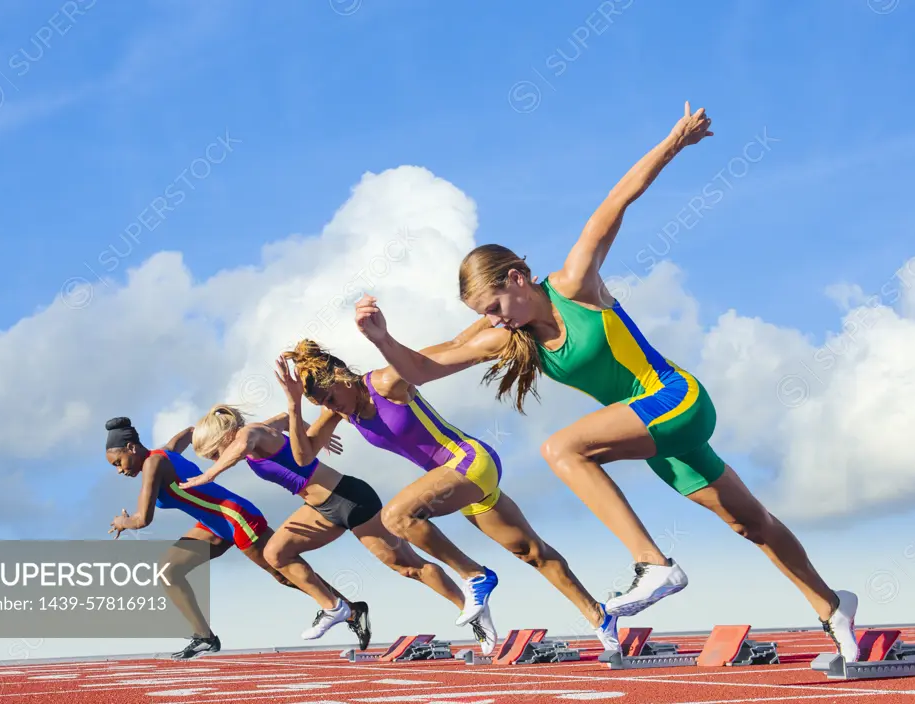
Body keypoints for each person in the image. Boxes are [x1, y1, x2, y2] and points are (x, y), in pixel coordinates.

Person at [351, 101, 860, 661]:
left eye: (496, 305)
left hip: (676, 399)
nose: (495, 320)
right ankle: (834, 609)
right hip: (660, 435)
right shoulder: (510, 338)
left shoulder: (575, 285)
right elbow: (426, 368)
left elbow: (616, 202)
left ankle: (654, 566)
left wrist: (675, 142)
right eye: (488, 315)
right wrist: (381, 338)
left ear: (518, 278)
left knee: (562, 448)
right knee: (751, 522)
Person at [275, 339, 621, 651]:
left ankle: (474, 575)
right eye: (324, 404)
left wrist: (494, 335)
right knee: (532, 552)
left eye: (331, 398)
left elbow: (433, 357)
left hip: (470, 460)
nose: (333, 408)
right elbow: (303, 458)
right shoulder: (340, 412)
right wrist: (294, 407)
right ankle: (599, 617)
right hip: (457, 482)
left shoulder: (385, 382)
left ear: (341, 376)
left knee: (396, 516)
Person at [178, 405, 496, 654]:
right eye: (213, 459)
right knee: (275, 553)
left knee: (409, 568)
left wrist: (210, 476)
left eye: (216, 453)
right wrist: (313, 436)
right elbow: (290, 419)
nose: (218, 459)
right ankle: (334, 607)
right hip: (321, 509)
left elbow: (242, 443)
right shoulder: (262, 431)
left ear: (227, 435)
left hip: (351, 499)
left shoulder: (250, 435)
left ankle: (473, 612)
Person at [103, 415, 365, 659]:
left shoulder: (154, 463)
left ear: (131, 448)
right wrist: (205, 430)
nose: (119, 471)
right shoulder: (165, 452)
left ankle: (352, 611)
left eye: (118, 462)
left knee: (283, 574)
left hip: (236, 517)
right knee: (168, 571)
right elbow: (190, 433)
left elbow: (142, 519)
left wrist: (121, 522)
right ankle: (204, 637)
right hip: (213, 524)